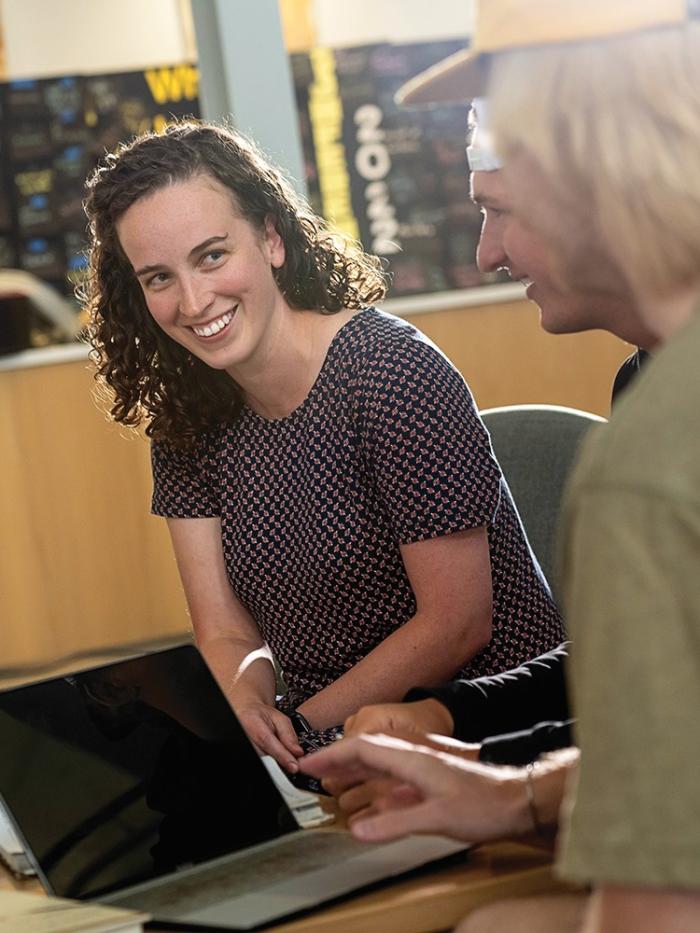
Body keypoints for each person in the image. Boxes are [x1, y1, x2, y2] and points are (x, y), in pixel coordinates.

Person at [304, 2, 700, 930]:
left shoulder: (647, 466)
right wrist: (510, 780)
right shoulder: (650, 391)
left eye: (498, 211)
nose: (484, 253)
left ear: (585, 169)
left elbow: (659, 900)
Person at [82, 120, 563, 774]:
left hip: (489, 747)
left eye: (213, 256)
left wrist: (299, 735)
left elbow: (457, 622)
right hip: (329, 757)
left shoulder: (390, 373)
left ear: (272, 240)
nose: (194, 301)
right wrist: (248, 704)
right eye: (159, 277)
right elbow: (225, 633)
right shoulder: (187, 419)